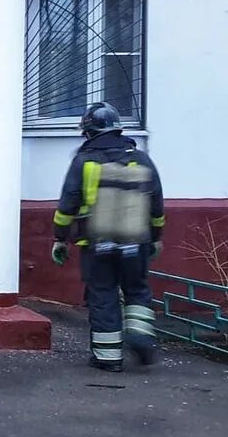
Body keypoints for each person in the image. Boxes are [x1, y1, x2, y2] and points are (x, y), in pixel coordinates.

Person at [51, 101, 165, 372]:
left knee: (103, 295)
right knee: (137, 290)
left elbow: (68, 205)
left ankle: (108, 358)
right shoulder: (141, 159)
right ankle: (141, 337)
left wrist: (60, 238)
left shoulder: (84, 161)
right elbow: (156, 204)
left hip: (97, 243)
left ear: (89, 132)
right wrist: (156, 236)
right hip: (136, 241)